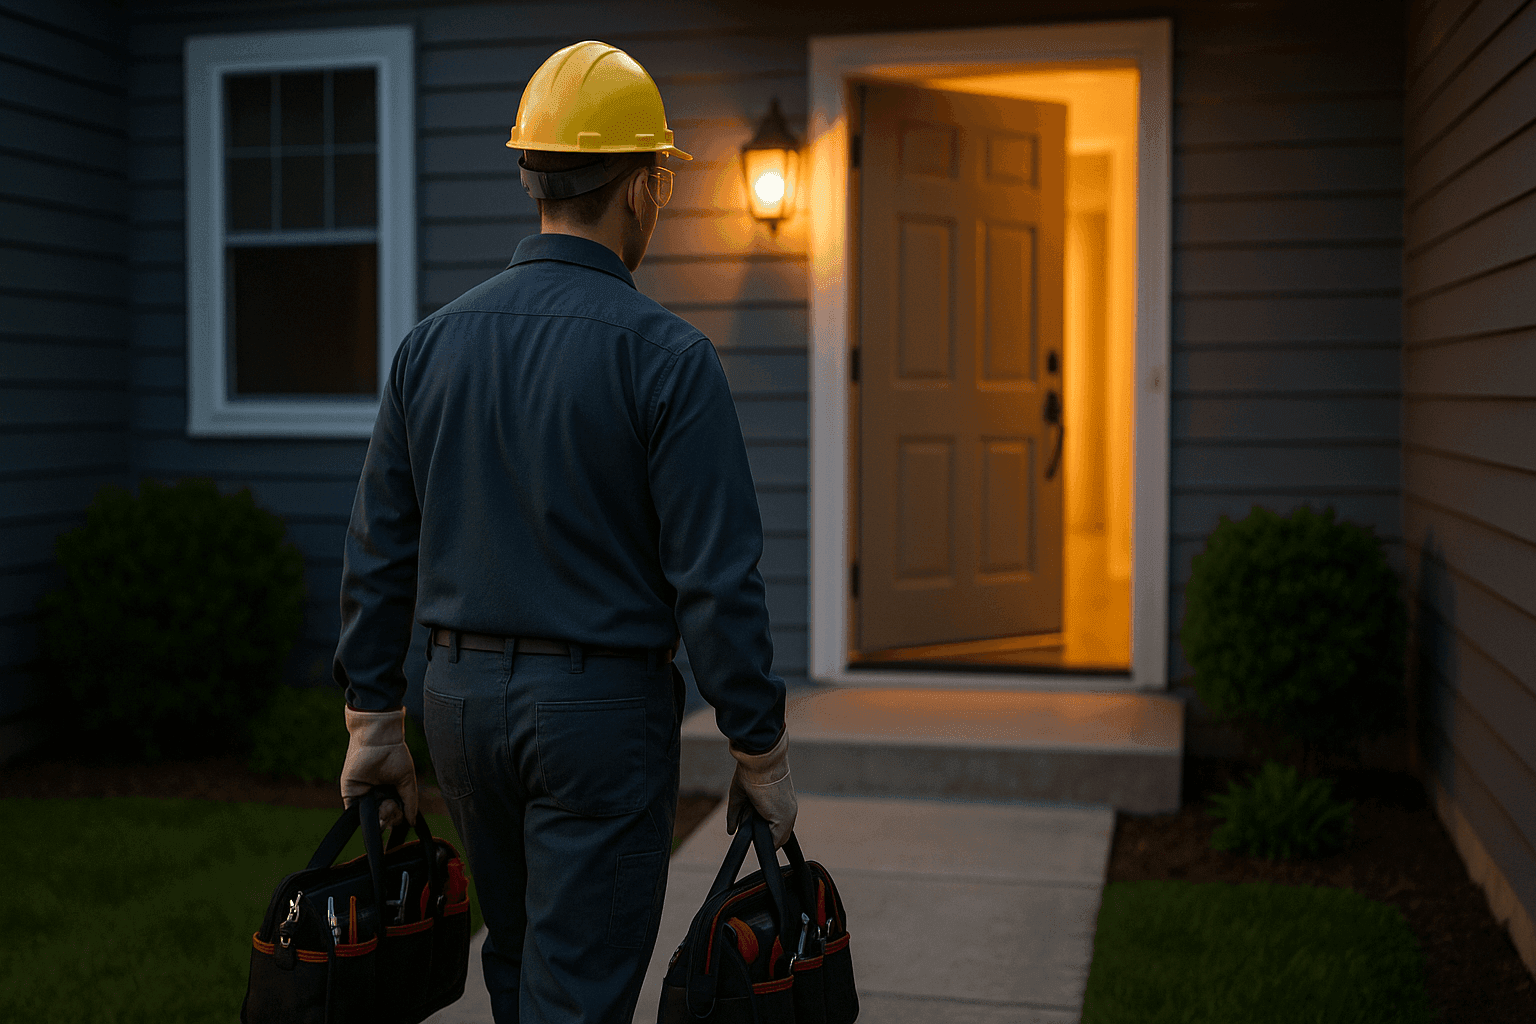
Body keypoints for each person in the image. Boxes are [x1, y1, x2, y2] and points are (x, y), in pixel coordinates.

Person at [332, 39, 797, 1024]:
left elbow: (380, 541)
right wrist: (758, 749)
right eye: (660, 175)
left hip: (457, 704)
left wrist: (375, 718)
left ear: (531, 173)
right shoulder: (670, 360)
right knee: (577, 990)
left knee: (519, 961)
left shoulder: (430, 346)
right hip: (598, 714)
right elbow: (718, 582)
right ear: (638, 186)